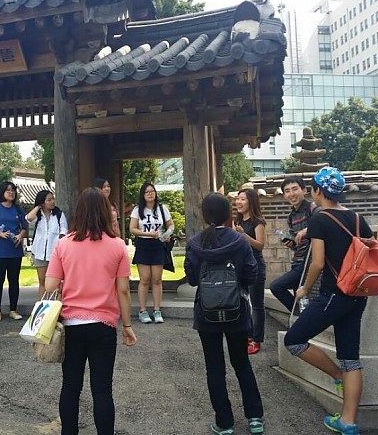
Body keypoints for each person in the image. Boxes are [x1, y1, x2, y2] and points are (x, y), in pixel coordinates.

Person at [283, 167, 378, 435]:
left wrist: (303, 289)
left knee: (294, 341)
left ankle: (336, 376)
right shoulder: (357, 217)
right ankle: (347, 422)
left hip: (333, 294)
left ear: (317, 191)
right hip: (357, 296)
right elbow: (375, 251)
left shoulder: (320, 219)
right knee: (351, 359)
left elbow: (318, 263)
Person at [45, 187, 137, 435]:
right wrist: (127, 326)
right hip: (104, 326)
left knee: (70, 387)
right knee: (102, 389)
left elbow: (51, 285)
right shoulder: (117, 246)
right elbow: (124, 291)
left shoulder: (63, 244)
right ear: (106, 213)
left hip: (72, 325)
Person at [184, 193, 264, 435]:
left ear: (205, 215)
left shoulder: (196, 242)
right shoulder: (239, 241)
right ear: (228, 214)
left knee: (214, 366)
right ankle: (255, 418)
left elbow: (191, 278)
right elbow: (252, 273)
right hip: (237, 311)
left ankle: (225, 422)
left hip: (206, 314)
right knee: (241, 363)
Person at [270, 176, 318, 312]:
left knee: (276, 286)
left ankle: (300, 317)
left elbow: (324, 219)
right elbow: (297, 245)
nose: (292, 194)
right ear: (284, 195)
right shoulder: (291, 217)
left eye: (295, 189)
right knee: (301, 299)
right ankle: (301, 318)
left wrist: (306, 230)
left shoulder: (312, 208)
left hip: (308, 263)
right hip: (297, 262)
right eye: (287, 191)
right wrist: (290, 243)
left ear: (304, 190)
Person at [129, 182, 174, 324]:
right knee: (145, 279)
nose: (150, 194)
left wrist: (167, 233)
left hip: (158, 245)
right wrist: (148, 234)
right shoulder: (137, 210)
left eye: (152, 191)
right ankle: (142, 310)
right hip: (143, 244)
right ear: (143, 195)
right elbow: (132, 228)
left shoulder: (162, 208)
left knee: (157, 279)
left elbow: (171, 224)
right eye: (147, 192)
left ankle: (157, 309)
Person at [0, 181, 28, 322]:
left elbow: (24, 227)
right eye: (8, 190)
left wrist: (20, 235)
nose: (11, 192)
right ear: (2, 192)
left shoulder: (18, 209)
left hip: (14, 249)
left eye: (13, 190)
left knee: (14, 281)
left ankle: (13, 310)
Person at [234, 188, 267, 355]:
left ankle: (257, 339)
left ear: (251, 202)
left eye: (242, 199)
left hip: (255, 267)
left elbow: (260, 245)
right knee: (244, 302)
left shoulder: (257, 222)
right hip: (241, 267)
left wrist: (243, 235)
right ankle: (247, 334)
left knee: (257, 304)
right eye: (238, 199)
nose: (238, 202)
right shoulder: (237, 221)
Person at [26, 190, 68, 298]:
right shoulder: (38, 215)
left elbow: (64, 231)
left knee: (57, 281)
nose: (52, 201)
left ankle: (57, 306)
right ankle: (43, 305)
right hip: (39, 253)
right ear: (42, 202)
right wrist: (38, 207)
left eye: (53, 199)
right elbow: (29, 218)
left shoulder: (59, 215)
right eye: (49, 200)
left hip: (55, 254)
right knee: (42, 280)